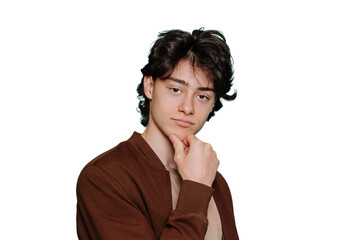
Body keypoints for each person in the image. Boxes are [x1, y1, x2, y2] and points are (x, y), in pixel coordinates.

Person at [76, 28, 239, 240]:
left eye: (202, 96)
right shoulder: (105, 177)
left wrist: (201, 183)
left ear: (213, 104)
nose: (187, 108)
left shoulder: (214, 181)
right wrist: (196, 189)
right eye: (176, 90)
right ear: (150, 86)